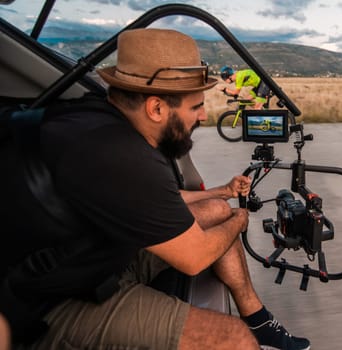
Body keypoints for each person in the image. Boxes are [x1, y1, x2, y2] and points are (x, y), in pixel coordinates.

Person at [1, 28, 310, 350]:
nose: (204, 116)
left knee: (219, 211)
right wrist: (240, 220)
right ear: (157, 108)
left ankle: (258, 319)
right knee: (231, 338)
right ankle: (250, 333)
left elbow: (152, 201)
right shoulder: (120, 154)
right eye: (195, 107)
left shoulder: (101, 118)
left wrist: (221, 193)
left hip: (96, 255)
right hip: (50, 302)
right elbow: (195, 258)